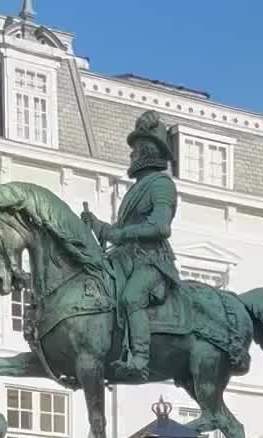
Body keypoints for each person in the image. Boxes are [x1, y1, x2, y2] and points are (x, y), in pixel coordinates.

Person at [81, 111, 180, 382]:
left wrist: (121, 235)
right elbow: (118, 232)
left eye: (134, 150)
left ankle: (140, 358)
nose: (131, 156)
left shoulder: (162, 185)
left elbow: (161, 227)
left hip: (151, 262)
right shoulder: (136, 190)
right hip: (125, 260)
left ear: (148, 151)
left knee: (131, 297)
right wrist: (96, 225)